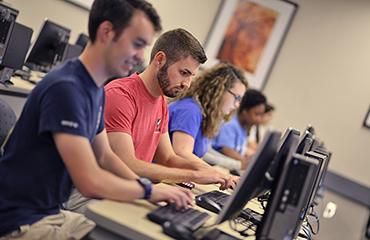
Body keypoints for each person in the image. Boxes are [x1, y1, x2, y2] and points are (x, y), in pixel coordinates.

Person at [0, 1, 194, 239]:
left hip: (48, 213)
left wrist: (149, 189)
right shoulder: (66, 88)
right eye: (137, 44)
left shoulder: (94, 88)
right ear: (106, 33)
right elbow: (89, 182)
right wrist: (148, 192)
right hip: (18, 222)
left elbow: (105, 156)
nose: (142, 56)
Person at [103, 29, 235, 194]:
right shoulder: (120, 95)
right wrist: (194, 175)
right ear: (160, 60)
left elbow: (167, 159)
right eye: (183, 73)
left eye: (191, 76)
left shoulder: (161, 103)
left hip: (130, 189)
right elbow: (126, 163)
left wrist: (209, 171)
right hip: (98, 192)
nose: (187, 84)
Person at [167, 61, 248, 170]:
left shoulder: (205, 114)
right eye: (236, 97)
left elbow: (202, 155)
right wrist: (218, 174)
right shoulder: (190, 110)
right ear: (219, 90)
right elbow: (182, 153)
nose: (237, 104)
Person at [210, 89, 267, 169]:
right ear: (244, 111)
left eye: (261, 115)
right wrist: (245, 161)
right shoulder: (230, 124)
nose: (258, 119)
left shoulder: (243, 127)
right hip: (214, 166)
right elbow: (227, 150)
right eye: (256, 114)